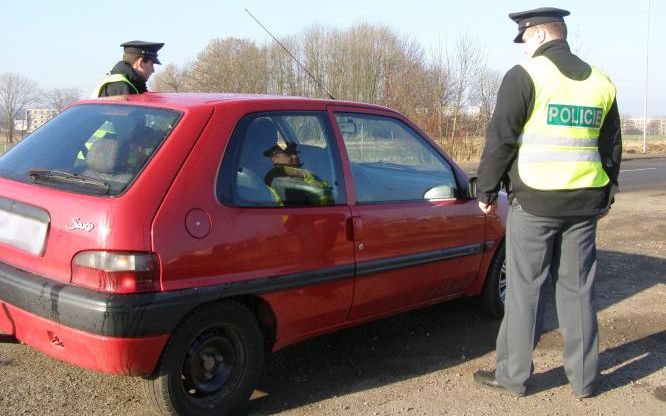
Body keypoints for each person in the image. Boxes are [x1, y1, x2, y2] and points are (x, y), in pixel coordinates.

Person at [472, 7, 622, 398]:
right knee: (578, 291)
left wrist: (486, 191)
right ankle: (586, 380)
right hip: (585, 204)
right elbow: (611, 148)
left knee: (526, 292)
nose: (523, 49)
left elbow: (501, 137)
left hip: (535, 204)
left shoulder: (526, 76)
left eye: (525, 41)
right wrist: (606, 194)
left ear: (538, 35)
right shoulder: (601, 82)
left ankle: (513, 376)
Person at [262, 142, 333, 205]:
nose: (295, 156)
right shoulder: (278, 175)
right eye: (288, 155)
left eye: (295, 153)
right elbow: (301, 204)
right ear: (274, 159)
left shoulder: (298, 172)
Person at [94, 41, 164, 97]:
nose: (153, 70)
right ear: (140, 63)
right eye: (151, 65)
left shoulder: (129, 83)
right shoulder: (120, 86)